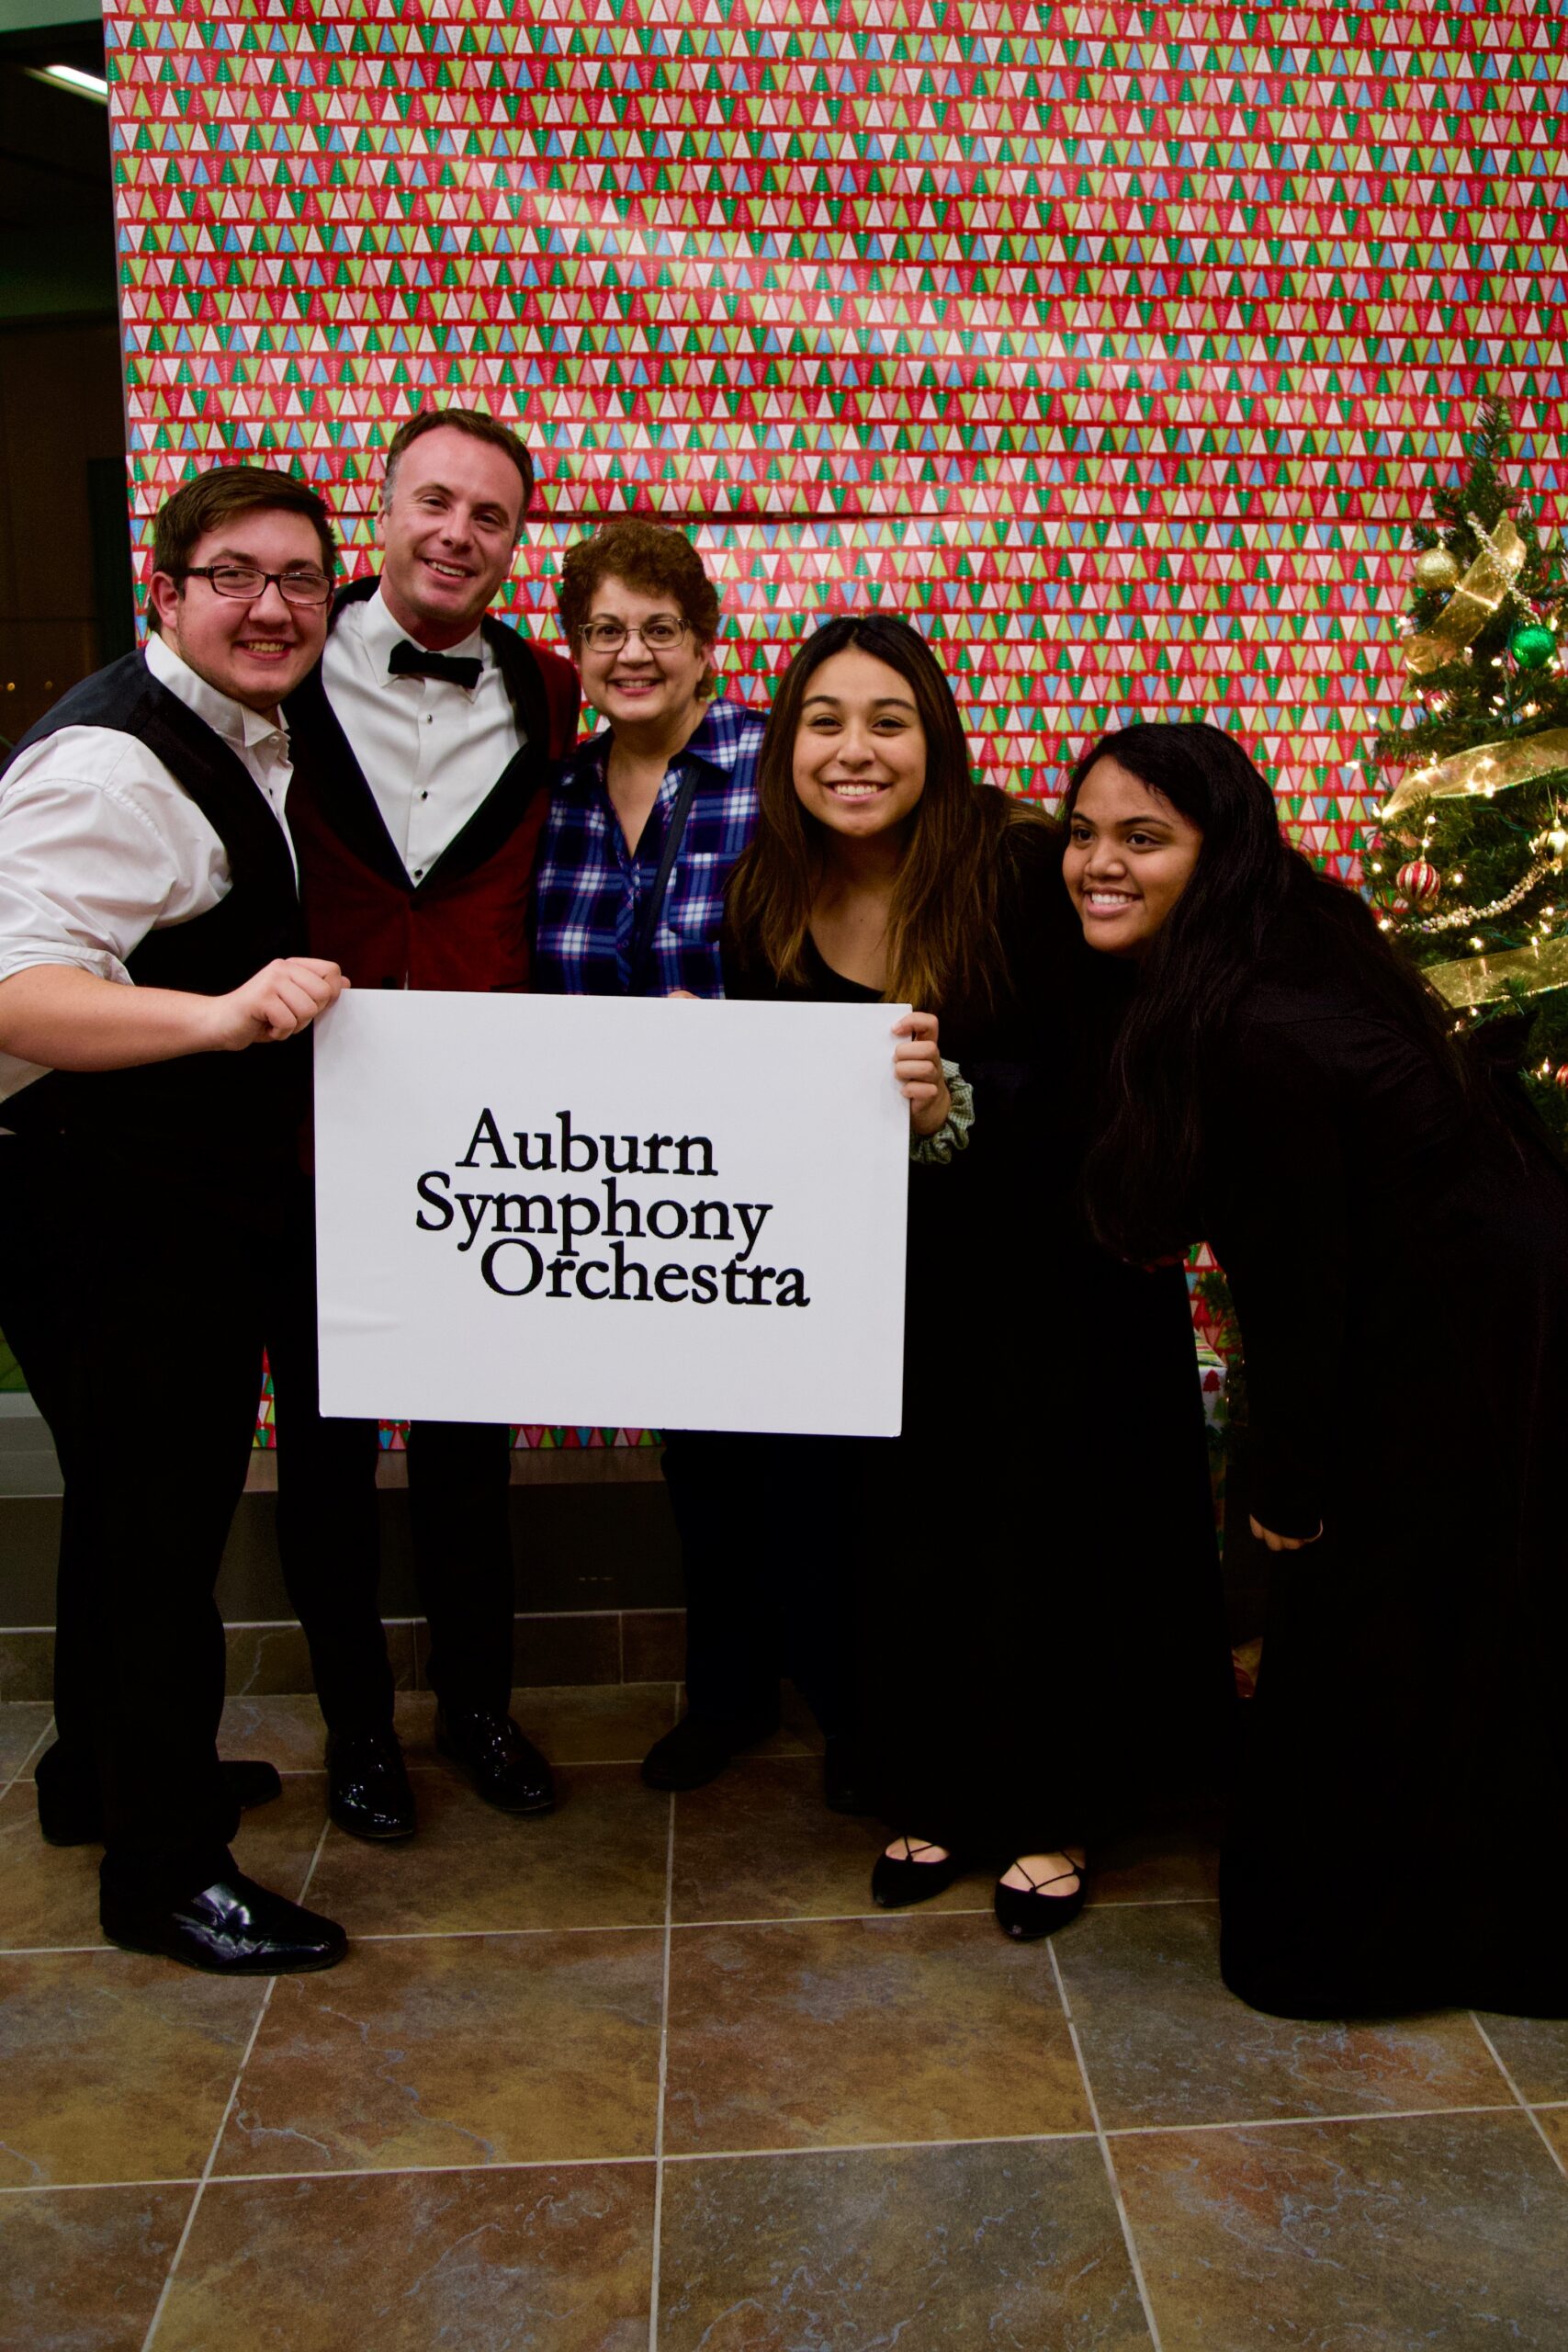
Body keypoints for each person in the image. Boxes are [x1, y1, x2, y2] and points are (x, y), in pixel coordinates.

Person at [723, 616, 1232, 1938]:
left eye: (888, 721)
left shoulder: (1018, 868)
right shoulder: (765, 891)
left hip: (1053, 1272)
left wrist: (955, 1103)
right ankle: (935, 1785)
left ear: (936, 741)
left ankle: (1056, 1810)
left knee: (1044, 1537)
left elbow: (1108, 1068)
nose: (855, 751)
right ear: (786, 748)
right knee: (908, 1535)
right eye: (825, 722)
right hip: (886, 1286)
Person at [1062, 719, 1568, 2018]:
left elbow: (1299, 1283)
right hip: (1471, 1285)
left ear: (1216, 852)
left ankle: (1382, 1934)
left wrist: (1287, 1483)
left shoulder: (1256, 1025)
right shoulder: (1257, 948)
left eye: (1143, 838)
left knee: (1378, 1612)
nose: (1100, 864)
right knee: (1438, 1610)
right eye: (1084, 833)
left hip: (1462, 1316)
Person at [0, 464, 349, 1973]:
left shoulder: (226, 730)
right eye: (234, 576)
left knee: (121, 1514)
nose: (271, 606)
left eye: (300, 578)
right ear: (166, 591)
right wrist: (221, 1017)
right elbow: (10, 993)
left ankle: (100, 1772)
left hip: (144, 1199)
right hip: (102, 1209)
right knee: (159, 1539)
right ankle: (164, 1869)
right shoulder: (111, 767)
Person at [272, 407, 581, 1843]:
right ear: (383, 510)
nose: (458, 534)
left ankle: (478, 1707)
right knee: (326, 1451)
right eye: (434, 502)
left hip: (479, 1126)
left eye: (491, 516)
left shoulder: (554, 690)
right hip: (302, 1113)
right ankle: (356, 1730)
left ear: (517, 543)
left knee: (468, 1450)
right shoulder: (276, 657)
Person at [530, 518, 803, 1796]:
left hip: (780, 1156)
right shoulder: (554, 792)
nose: (631, 654)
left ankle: (853, 1690)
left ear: (705, 644)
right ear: (575, 652)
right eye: (605, 632)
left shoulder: (779, 763)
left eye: (658, 630)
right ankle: (730, 1693)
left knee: (817, 1441)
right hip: (634, 1185)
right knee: (701, 1450)